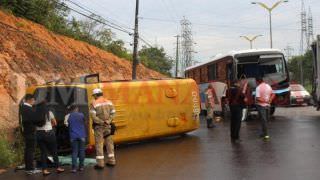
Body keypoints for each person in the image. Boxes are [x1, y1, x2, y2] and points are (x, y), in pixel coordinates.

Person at [35, 101, 64, 176]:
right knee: (54, 150)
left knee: (43, 152)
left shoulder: (35, 113)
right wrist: (50, 125)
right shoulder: (49, 112)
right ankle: (57, 167)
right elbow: (55, 123)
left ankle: (44, 170)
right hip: (49, 133)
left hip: (39, 133)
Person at [90, 88, 116, 169]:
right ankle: (112, 161)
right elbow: (113, 113)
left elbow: (93, 117)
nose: (94, 97)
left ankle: (100, 164)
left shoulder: (93, 103)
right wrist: (108, 121)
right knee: (109, 143)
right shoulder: (109, 102)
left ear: (96, 95)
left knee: (99, 144)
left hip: (99, 127)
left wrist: (101, 122)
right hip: (108, 126)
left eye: (94, 95)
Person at [20, 94, 42, 175]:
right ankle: (30, 169)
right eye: (33, 100)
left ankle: (28, 167)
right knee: (31, 151)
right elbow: (35, 120)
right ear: (30, 100)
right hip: (30, 132)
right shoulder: (28, 108)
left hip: (26, 132)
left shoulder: (22, 108)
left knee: (28, 150)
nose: (34, 102)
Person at [64, 104, 86, 173]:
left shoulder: (67, 116)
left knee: (74, 152)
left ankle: (74, 168)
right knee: (82, 151)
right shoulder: (81, 115)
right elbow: (84, 122)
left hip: (73, 136)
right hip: (82, 135)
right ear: (76, 108)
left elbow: (66, 125)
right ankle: (81, 166)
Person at [255, 76, 275, 140]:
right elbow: (273, 94)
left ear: (257, 81)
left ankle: (266, 135)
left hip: (261, 106)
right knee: (266, 120)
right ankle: (263, 133)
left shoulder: (258, 88)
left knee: (263, 120)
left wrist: (265, 101)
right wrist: (270, 100)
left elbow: (258, 99)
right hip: (268, 106)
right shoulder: (268, 86)